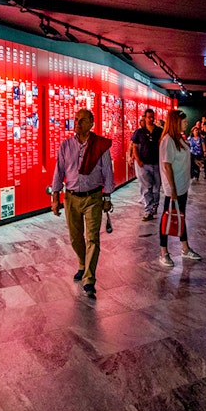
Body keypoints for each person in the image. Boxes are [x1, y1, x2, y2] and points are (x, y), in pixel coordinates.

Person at [50, 108, 114, 299]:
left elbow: (107, 171)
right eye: (76, 119)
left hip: (93, 197)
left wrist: (107, 197)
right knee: (75, 237)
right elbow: (59, 171)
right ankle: (82, 263)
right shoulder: (66, 145)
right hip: (71, 198)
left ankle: (89, 279)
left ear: (91, 123)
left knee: (92, 238)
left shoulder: (99, 145)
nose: (77, 123)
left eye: (82, 120)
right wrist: (55, 197)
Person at [158, 110, 202, 267]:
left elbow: (182, 156)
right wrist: (172, 189)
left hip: (182, 186)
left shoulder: (178, 138)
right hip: (174, 188)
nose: (186, 124)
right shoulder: (168, 140)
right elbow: (167, 166)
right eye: (183, 122)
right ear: (175, 122)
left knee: (180, 216)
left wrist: (194, 161)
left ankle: (185, 248)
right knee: (167, 218)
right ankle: (164, 253)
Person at [129, 109, 162, 221]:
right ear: (145, 118)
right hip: (144, 164)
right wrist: (138, 160)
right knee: (147, 188)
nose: (151, 119)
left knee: (156, 188)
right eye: (149, 117)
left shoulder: (159, 131)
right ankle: (148, 210)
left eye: (152, 117)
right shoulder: (139, 132)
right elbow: (134, 146)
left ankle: (155, 205)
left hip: (156, 164)